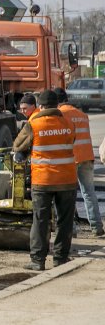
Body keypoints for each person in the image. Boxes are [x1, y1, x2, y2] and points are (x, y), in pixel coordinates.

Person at [13, 90, 77, 271]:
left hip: (43, 180)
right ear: (57, 106)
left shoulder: (34, 124)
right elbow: (71, 141)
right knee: (65, 221)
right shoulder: (68, 122)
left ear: (40, 107)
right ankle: (60, 259)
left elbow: (18, 146)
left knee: (40, 220)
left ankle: (37, 261)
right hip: (67, 179)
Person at [54, 87, 104, 237]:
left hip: (69, 159)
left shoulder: (60, 115)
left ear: (56, 102)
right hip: (87, 157)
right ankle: (97, 227)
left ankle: (70, 229)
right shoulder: (82, 115)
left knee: (67, 195)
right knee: (89, 192)